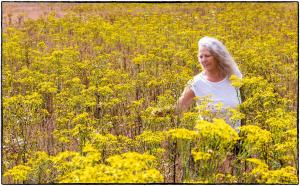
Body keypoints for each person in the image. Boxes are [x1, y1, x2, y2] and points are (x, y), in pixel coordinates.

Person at [176, 36, 242, 129]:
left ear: (217, 57)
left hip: (235, 140)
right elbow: (180, 108)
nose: (203, 60)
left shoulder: (233, 79)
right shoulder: (196, 82)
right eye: (200, 57)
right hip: (208, 140)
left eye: (207, 56)